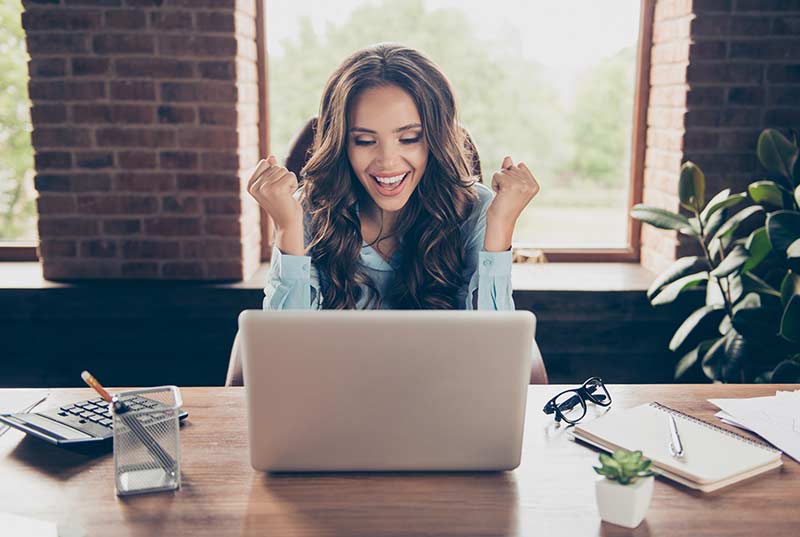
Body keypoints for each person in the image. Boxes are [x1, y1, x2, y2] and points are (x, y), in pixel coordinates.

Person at [225, 43, 542, 384]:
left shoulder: (477, 208)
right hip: (332, 411)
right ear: (341, 143)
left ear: (435, 139)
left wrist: (501, 226)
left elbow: (494, 359)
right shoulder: (308, 211)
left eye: (409, 138)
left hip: (444, 409)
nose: (388, 161)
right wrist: (287, 226)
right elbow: (283, 361)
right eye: (364, 141)